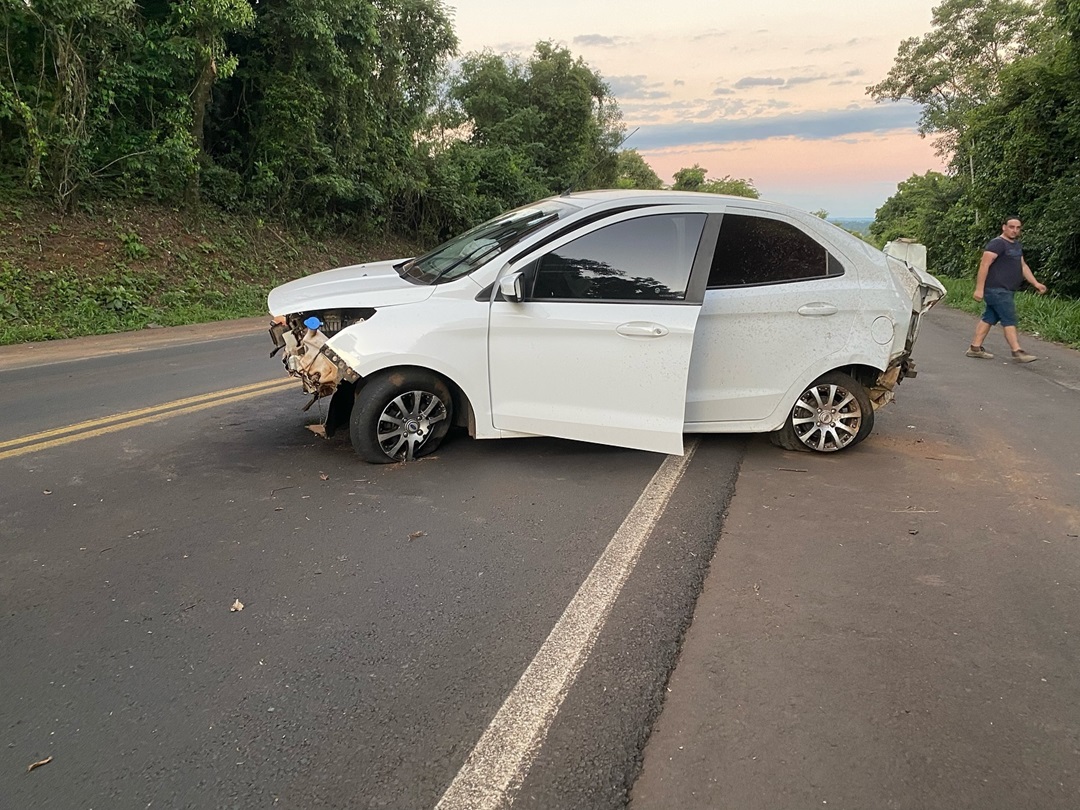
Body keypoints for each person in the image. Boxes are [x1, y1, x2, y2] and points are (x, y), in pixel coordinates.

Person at [966, 216, 1047, 363]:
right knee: (1009, 318)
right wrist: (979, 289)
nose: (1015, 230)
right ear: (1004, 227)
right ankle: (1017, 351)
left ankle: (975, 348)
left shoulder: (1016, 246)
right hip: (997, 289)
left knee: (989, 317)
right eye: (1011, 227)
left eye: (1018, 228)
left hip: (1007, 290)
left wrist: (1036, 283)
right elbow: (984, 265)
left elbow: (1023, 266)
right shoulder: (997, 244)